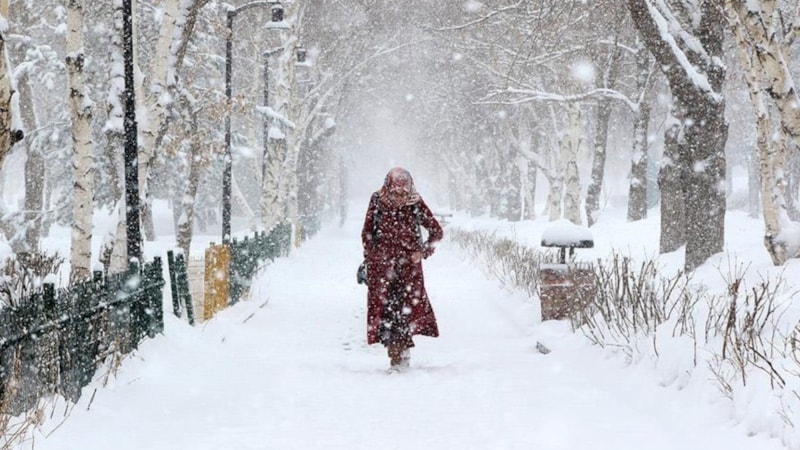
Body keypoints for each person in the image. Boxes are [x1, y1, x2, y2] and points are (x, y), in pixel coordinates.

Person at [361, 167, 443, 372]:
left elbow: (436, 232)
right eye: (396, 192)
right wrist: (373, 256)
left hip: (409, 271)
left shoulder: (415, 203)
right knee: (386, 313)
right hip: (382, 270)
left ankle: (400, 356)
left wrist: (422, 252)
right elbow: (367, 233)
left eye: (403, 193)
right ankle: (395, 354)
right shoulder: (377, 201)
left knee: (404, 312)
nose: (399, 198)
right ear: (388, 187)